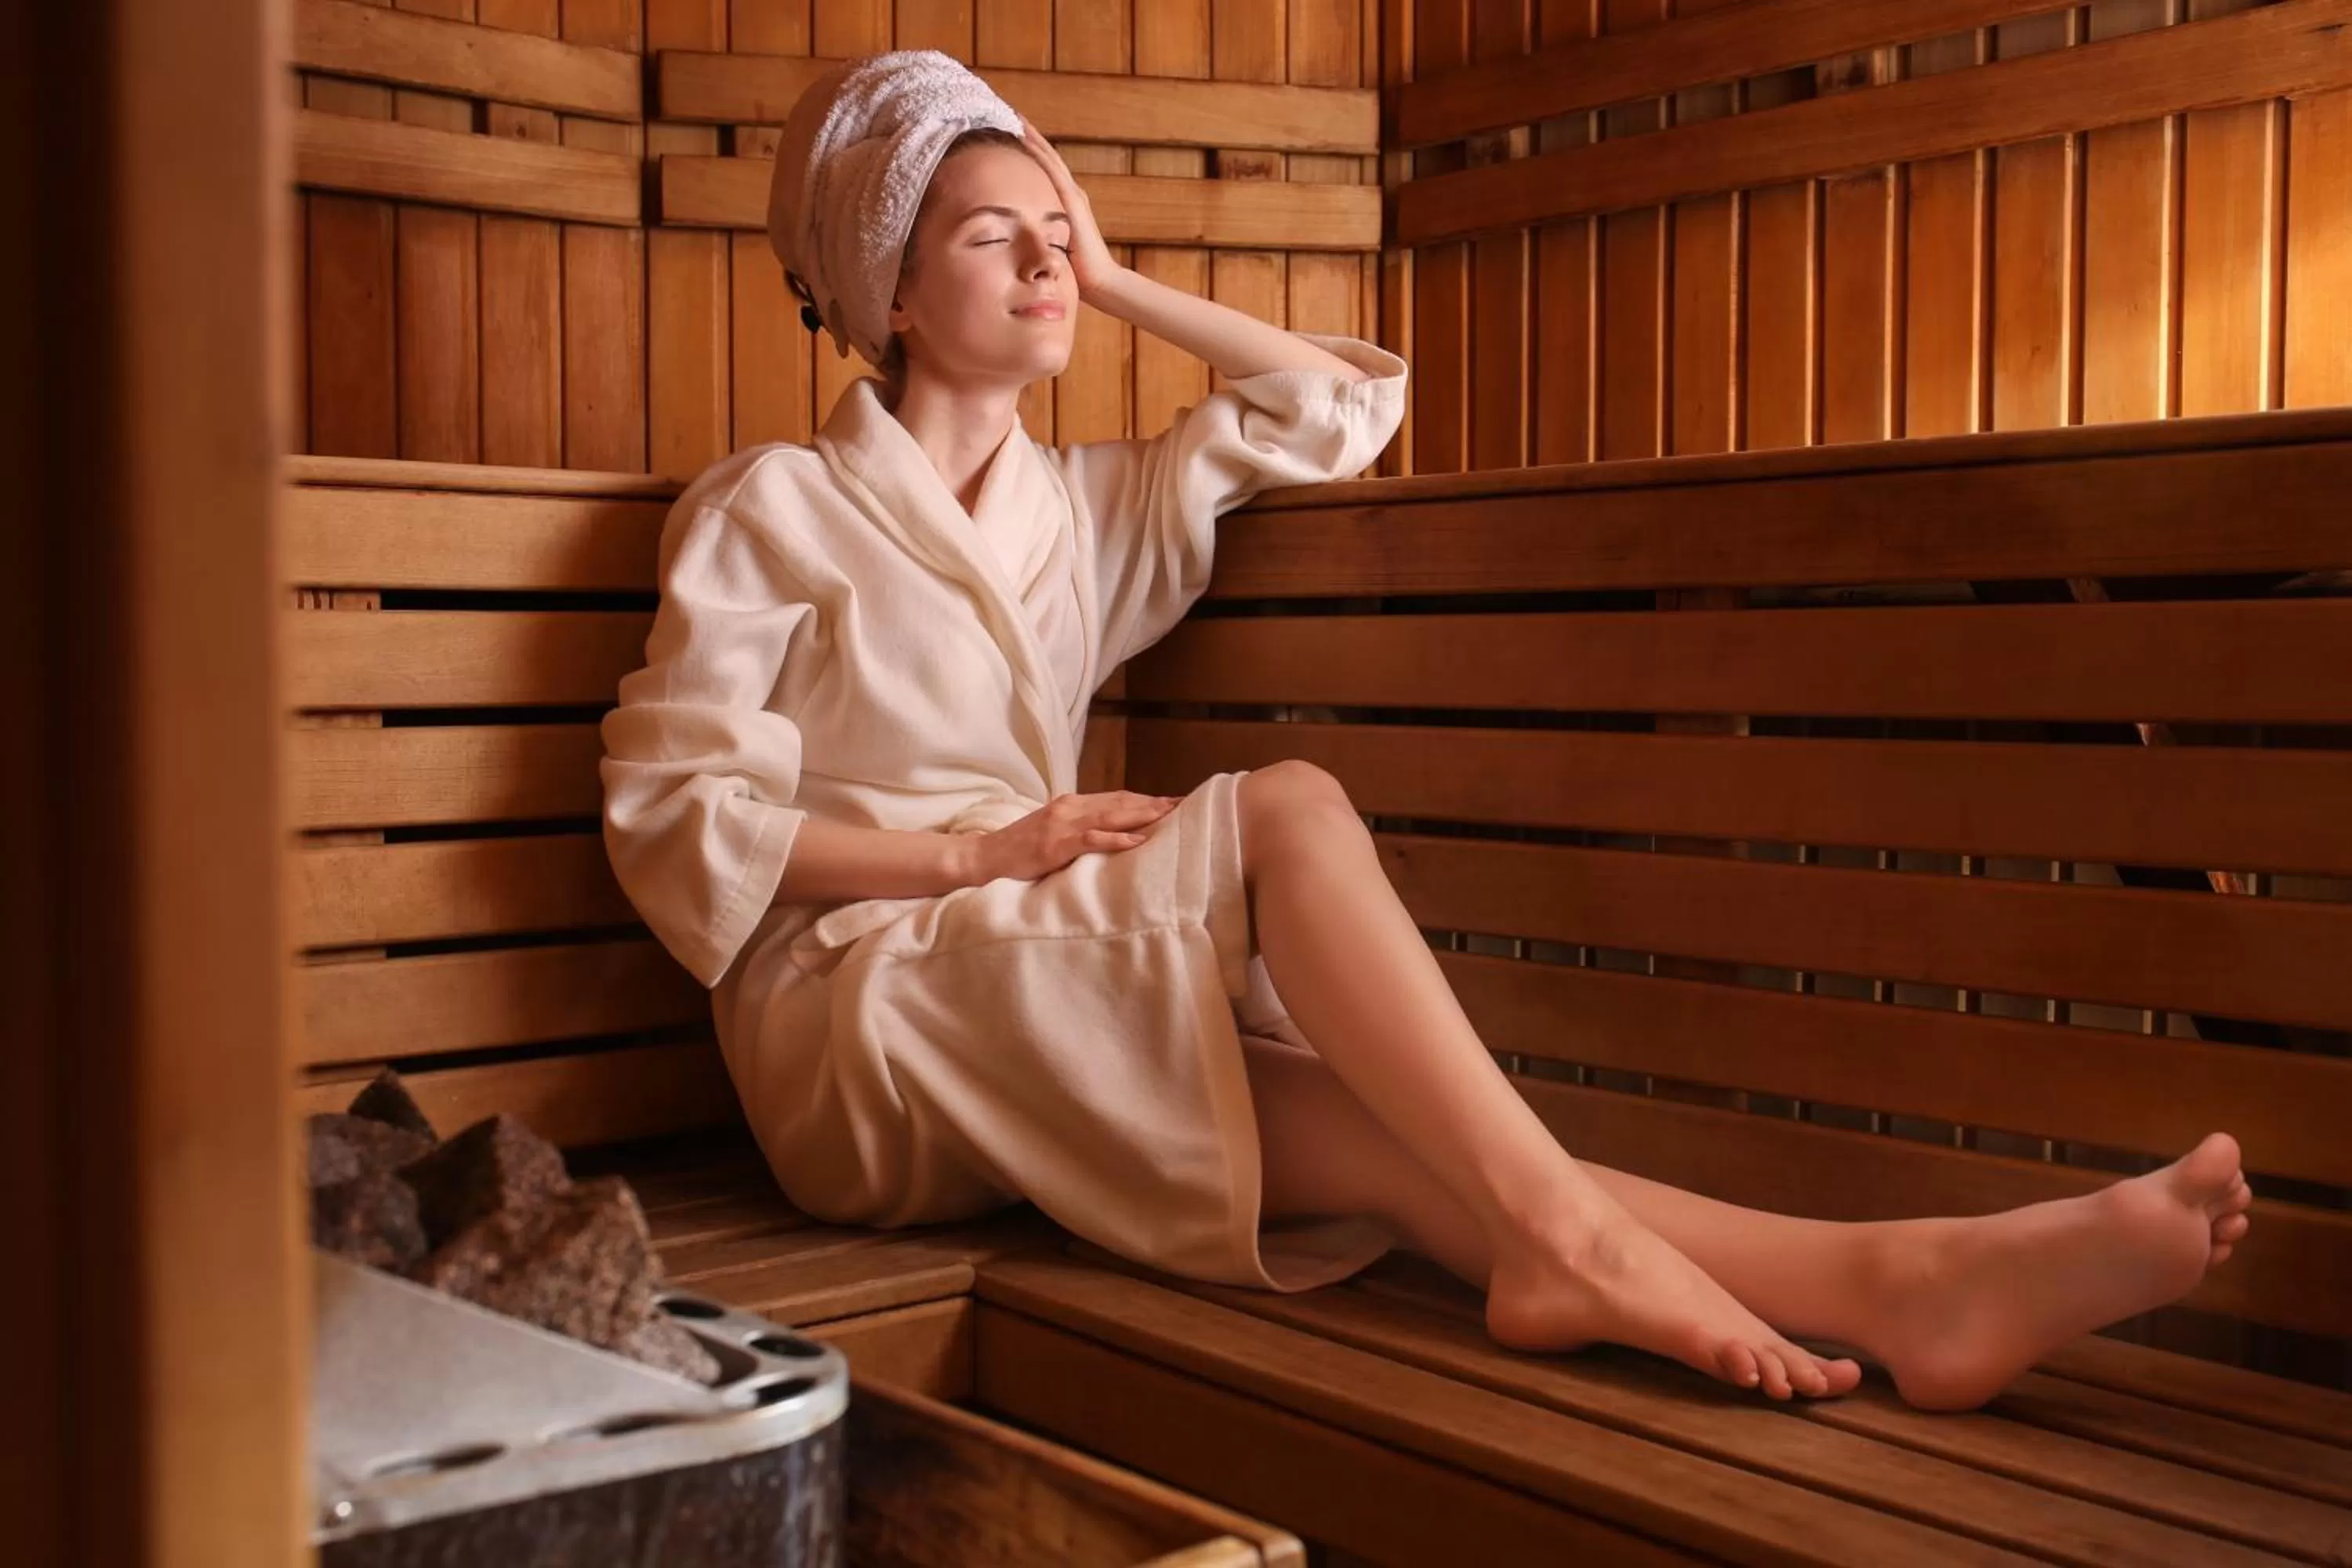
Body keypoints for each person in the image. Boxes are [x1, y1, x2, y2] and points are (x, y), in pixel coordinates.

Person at [601, 50, 2252, 1411]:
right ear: (885, 287)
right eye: (993, 238)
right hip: (860, 1014)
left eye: (1057, 231)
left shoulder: (1079, 516)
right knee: (1296, 809)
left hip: (1034, 976)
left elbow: (1336, 408)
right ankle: (1587, 1246)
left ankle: (1912, 1284)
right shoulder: (776, 508)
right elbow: (683, 818)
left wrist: (1120, 278)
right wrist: (979, 846)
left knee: (1392, 1149)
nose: (1045, 263)